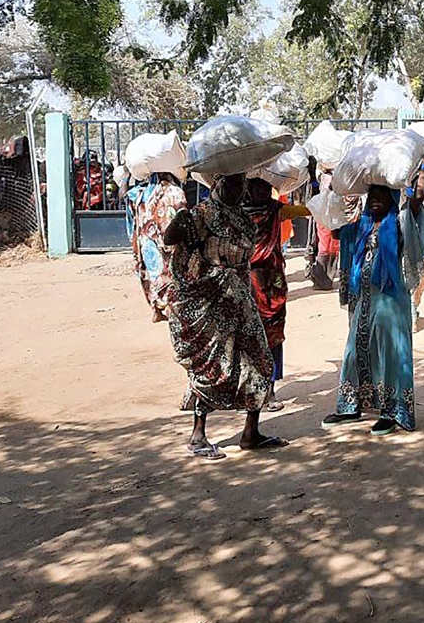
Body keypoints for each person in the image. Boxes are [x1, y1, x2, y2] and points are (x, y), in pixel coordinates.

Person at [163, 173, 286, 460]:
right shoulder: (201, 214)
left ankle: (250, 433)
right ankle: (198, 436)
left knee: (259, 361)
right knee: (211, 367)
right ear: (217, 184)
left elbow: (246, 257)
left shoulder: (242, 218)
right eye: (230, 184)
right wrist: (181, 222)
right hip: (210, 303)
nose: (236, 189)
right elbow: (171, 239)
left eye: (239, 184)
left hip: (241, 301)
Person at [322, 161, 424, 435]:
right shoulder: (361, 226)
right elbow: (335, 229)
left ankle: (393, 411)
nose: (375, 201)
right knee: (355, 351)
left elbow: (417, 199)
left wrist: (422, 170)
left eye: (382, 196)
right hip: (365, 301)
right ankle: (350, 406)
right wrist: (332, 187)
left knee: (392, 355)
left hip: (391, 302)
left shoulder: (401, 223)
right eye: (372, 196)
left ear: (392, 199)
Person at [244, 171, 315, 391]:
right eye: (257, 188)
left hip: (266, 281)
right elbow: (308, 209)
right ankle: (256, 385)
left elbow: (309, 210)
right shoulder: (239, 214)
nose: (262, 192)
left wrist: (312, 178)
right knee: (252, 332)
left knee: (271, 331)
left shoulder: (276, 211)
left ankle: (269, 386)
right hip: (255, 280)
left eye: (265, 188)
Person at [124, 172, 188, 322]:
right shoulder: (174, 192)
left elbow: (126, 200)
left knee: (152, 274)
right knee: (169, 273)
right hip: (166, 241)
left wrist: (126, 176)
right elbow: (182, 214)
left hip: (146, 241)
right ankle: (168, 307)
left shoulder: (140, 193)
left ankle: (156, 308)